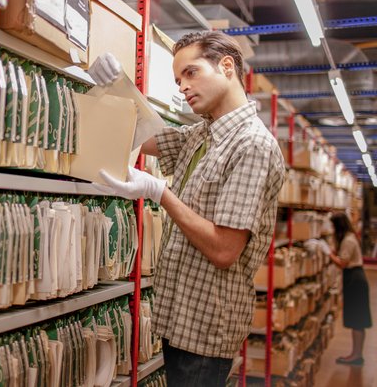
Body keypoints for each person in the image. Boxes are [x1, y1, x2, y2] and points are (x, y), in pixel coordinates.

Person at [89, 31, 285, 387]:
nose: (182, 87)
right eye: (178, 79)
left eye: (191, 73)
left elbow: (225, 250)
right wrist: (115, 89)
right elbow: (146, 136)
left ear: (227, 67)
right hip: (179, 318)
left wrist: (159, 192)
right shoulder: (202, 134)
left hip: (208, 328)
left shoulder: (252, 145)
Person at [326, 212, 372, 365]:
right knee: (358, 319)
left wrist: (327, 252)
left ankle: (356, 355)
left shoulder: (348, 240)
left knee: (357, 319)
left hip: (355, 280)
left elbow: (342, 263)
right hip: (355, 278)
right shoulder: (349, 237)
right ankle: (356, 353)